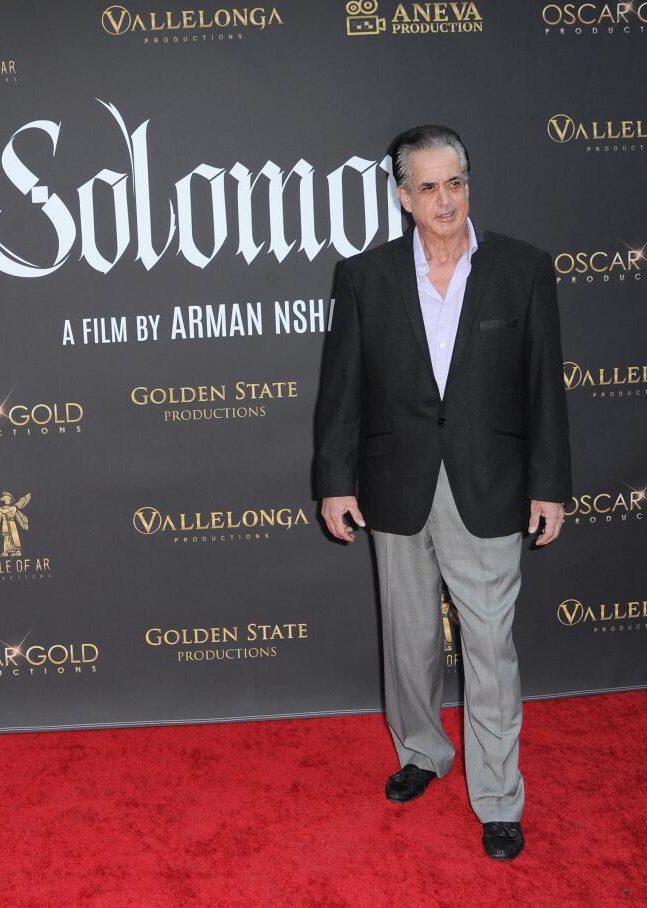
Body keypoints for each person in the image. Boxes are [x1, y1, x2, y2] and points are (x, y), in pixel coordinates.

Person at [312, 125, 571, 861]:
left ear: (468, 184)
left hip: (489, 487)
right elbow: (342, 393)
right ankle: (423, 751)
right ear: (403, 197)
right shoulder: (364, 277)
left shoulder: (522, 269)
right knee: (410, 641)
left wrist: (548, 485)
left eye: (454, 181)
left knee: (490, 649)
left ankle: (498, 796)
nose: (444, 198)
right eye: (427, 186)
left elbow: (543, 389)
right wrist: (335, 483)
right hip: (395, 486)